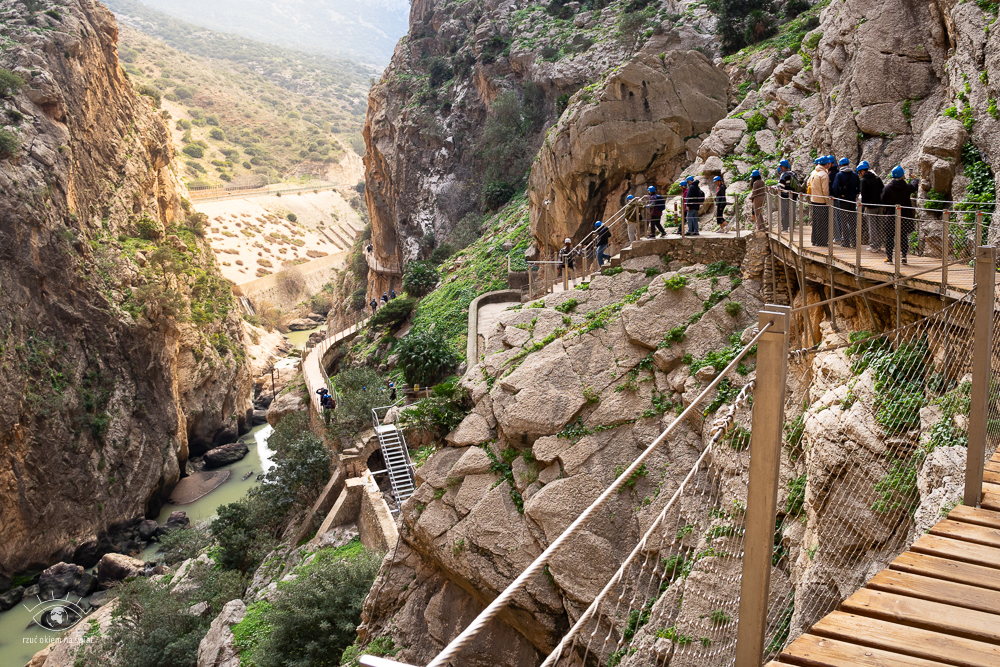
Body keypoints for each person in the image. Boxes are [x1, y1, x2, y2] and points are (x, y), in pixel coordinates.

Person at [881, 165, 919, 265]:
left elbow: (882, 199)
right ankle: (904, 256)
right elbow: (914, 187)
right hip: (904, 217)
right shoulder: (906, 187)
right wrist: (914, 179)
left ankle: (889, 257)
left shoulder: (888, 188)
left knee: (889, 237)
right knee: (903, 236)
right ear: (902, 176)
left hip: (891, 216)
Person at [832, 157, 861, 248]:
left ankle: (846, 242)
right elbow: (859, 188)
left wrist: (840, 195)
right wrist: (853, 193)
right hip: (852, 201)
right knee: (852, 221)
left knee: (844, 221)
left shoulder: (839, 175)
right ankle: (854, 242)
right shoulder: (855, 175)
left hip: (843, 201)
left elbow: (835, 188)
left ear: (840, 165)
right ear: (848, 164)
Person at [857, 161, 885, 252]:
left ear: (862, 171)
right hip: (880, 205)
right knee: (880, 226)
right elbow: (883, 189)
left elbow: (864, 195)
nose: (859, 175)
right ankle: (879, 245)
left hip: (870, 207)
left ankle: (874, 246)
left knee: (872, 227)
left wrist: (865, 205)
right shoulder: (877, 178)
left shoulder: (864, 181)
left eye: (859, 173)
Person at [808, 156, 831, 245]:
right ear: (826, 164)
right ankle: (822, 242)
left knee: (816, 222)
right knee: (823, 222)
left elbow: (808, 184)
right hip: (821, 201)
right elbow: (825, 190)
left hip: (814, 199)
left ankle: (814, 240)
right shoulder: (824, 175)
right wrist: (827, 201)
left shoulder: (814, 173)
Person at [777, 159, 799, 231]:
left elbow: (781, 186)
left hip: (785, 196)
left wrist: (777, 188)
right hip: (794, 196)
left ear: (783, 167)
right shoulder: (793, 173)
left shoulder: (784, 175)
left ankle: (785, 227)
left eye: (780, 166)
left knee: (784, 212)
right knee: (792, 211)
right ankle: (792, 226)